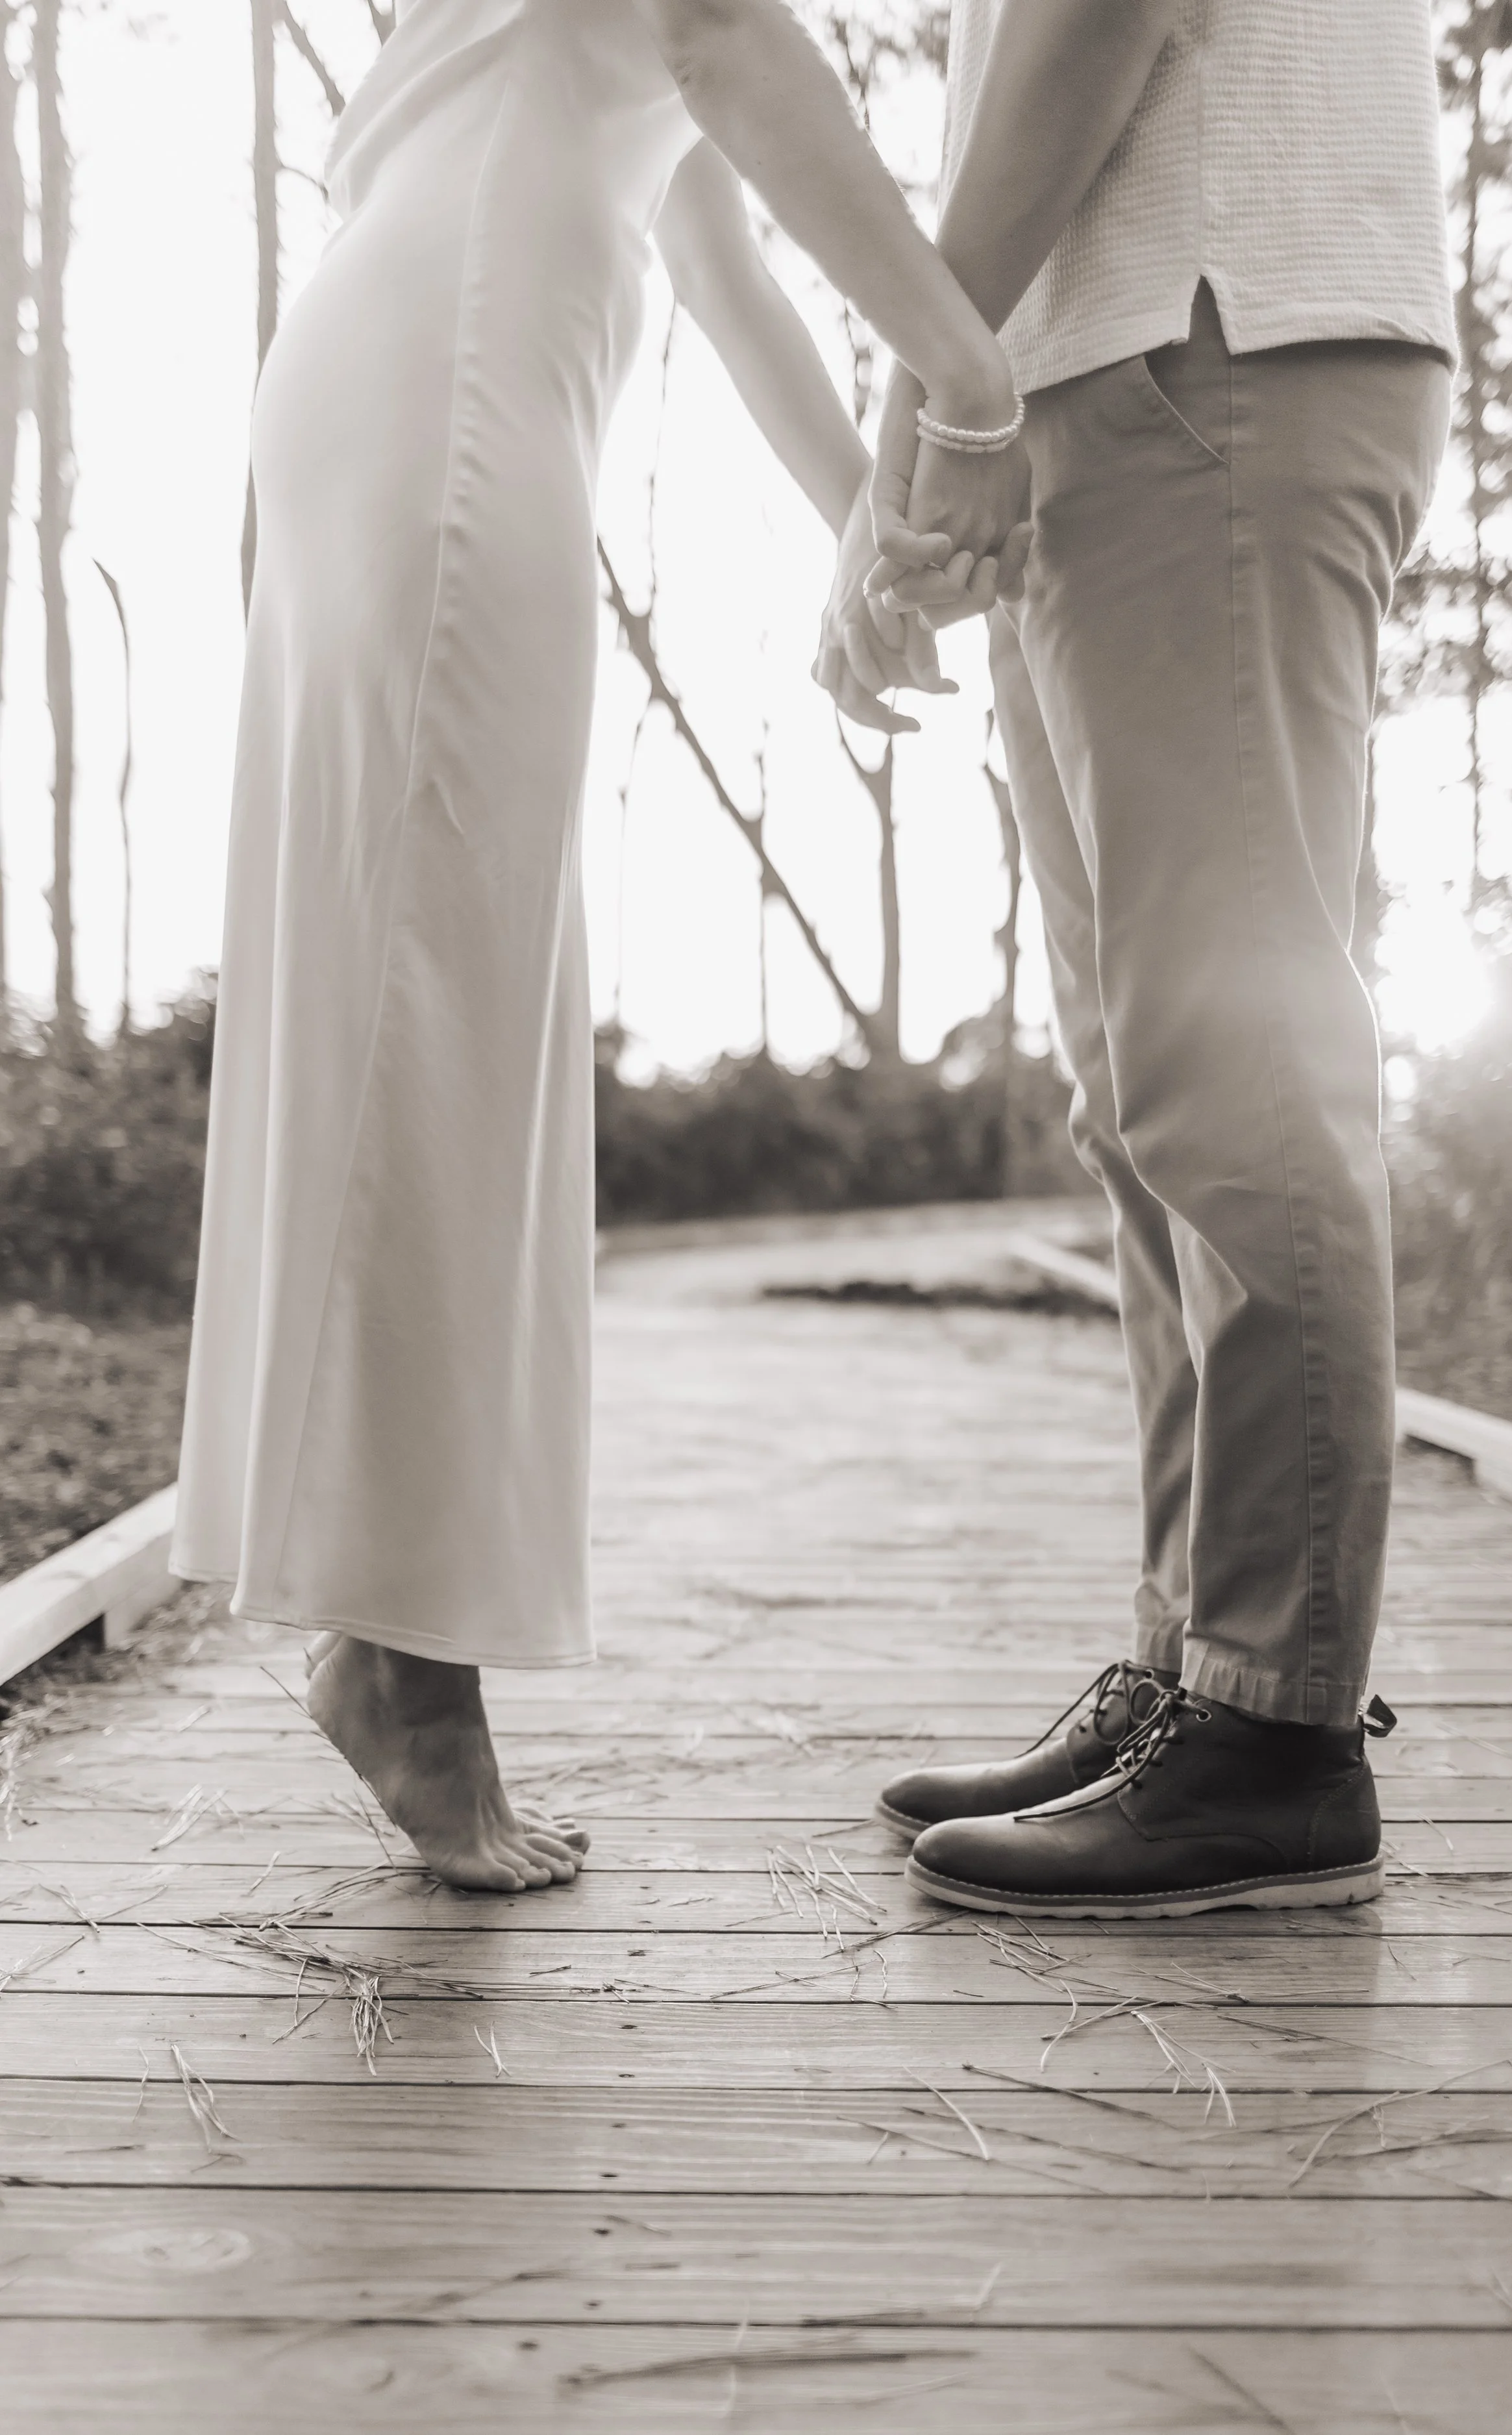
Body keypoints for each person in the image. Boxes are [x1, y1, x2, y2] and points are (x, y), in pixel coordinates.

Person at [169, 0, 1032, 1893]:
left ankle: (392, 1639)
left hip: (422, 379)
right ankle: (402, 1663)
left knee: (432, 1000)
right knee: (431, 1013)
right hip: (453, 400)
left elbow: (712, 240)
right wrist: (966, 379)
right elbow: (728, 43)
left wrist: (867, 545)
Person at [832, 0, 1456, 1917]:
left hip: (1216, 338)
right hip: (1138, 351)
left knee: (1222, 1058)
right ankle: (1202, 1662)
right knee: (1143, 1084)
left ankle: (1273, 1731)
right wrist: (980, 387)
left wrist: (924, 399)